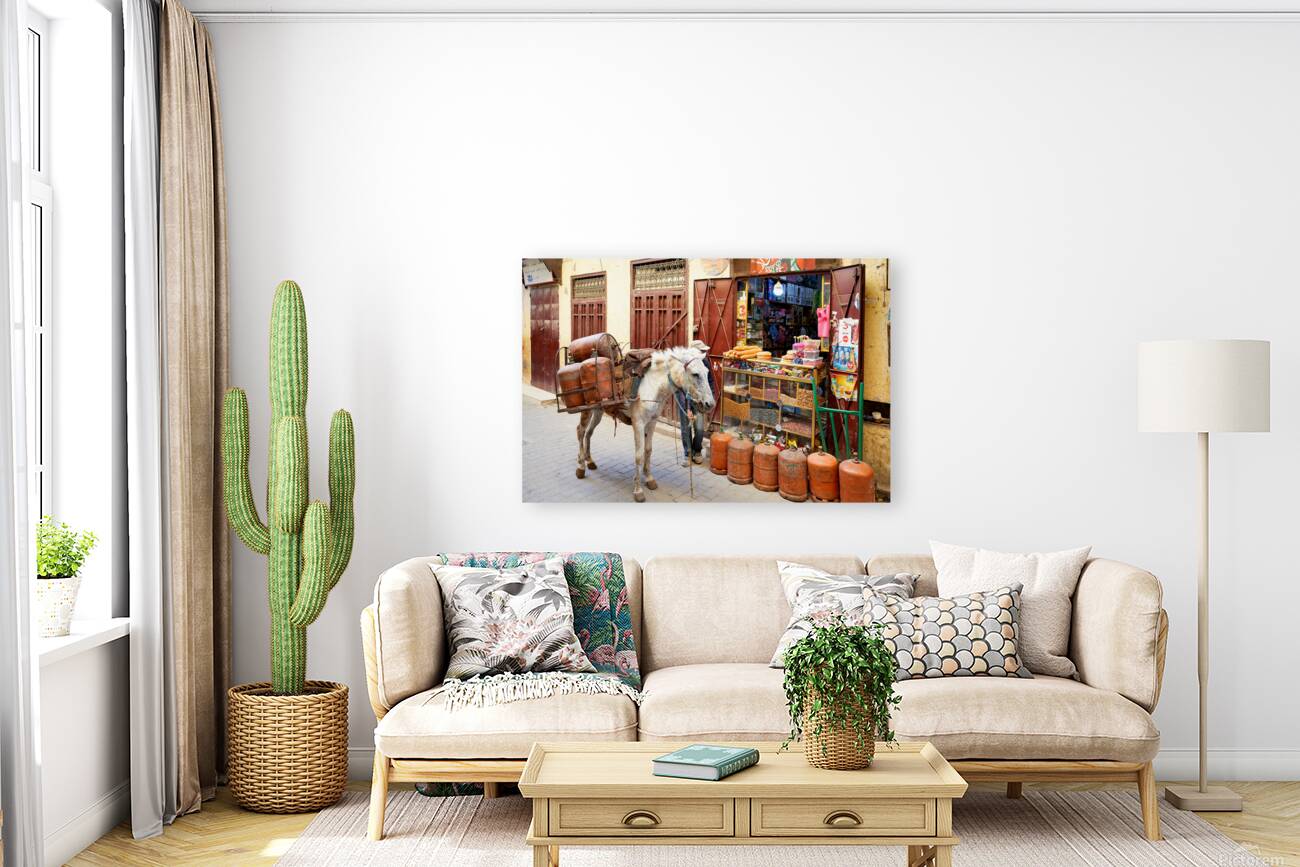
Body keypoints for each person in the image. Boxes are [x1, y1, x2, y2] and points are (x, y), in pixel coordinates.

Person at [676, 340, 710, 467]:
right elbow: (680, 389)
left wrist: (708, 398)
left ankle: (697, 450)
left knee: (699, 428)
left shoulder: (705, 362)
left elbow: (710, 382)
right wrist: (687, 408)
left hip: (699, 400)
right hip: (684, 398)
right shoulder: (684, 365)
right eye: (701, 351)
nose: (704, 353)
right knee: (686, 428)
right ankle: (687, 453)